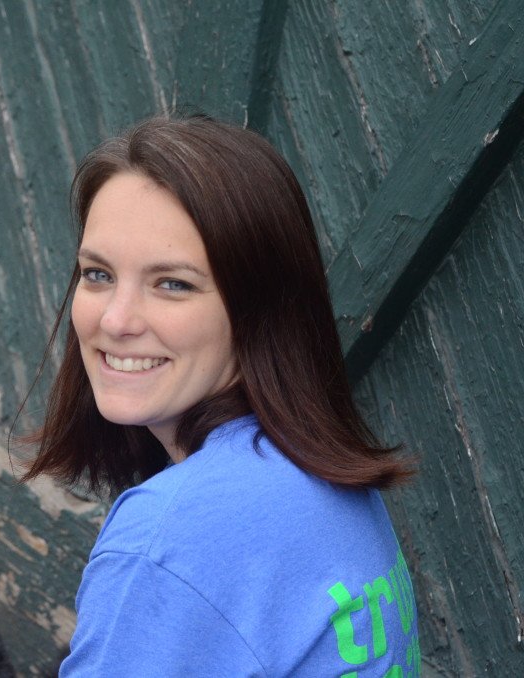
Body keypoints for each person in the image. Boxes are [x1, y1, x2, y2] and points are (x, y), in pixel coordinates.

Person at [21, 115, 420, 676]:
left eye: (173, 284)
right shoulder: (319, 476)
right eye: (97, 274)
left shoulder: (169, 538)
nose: (115, 319)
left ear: (259, 312)